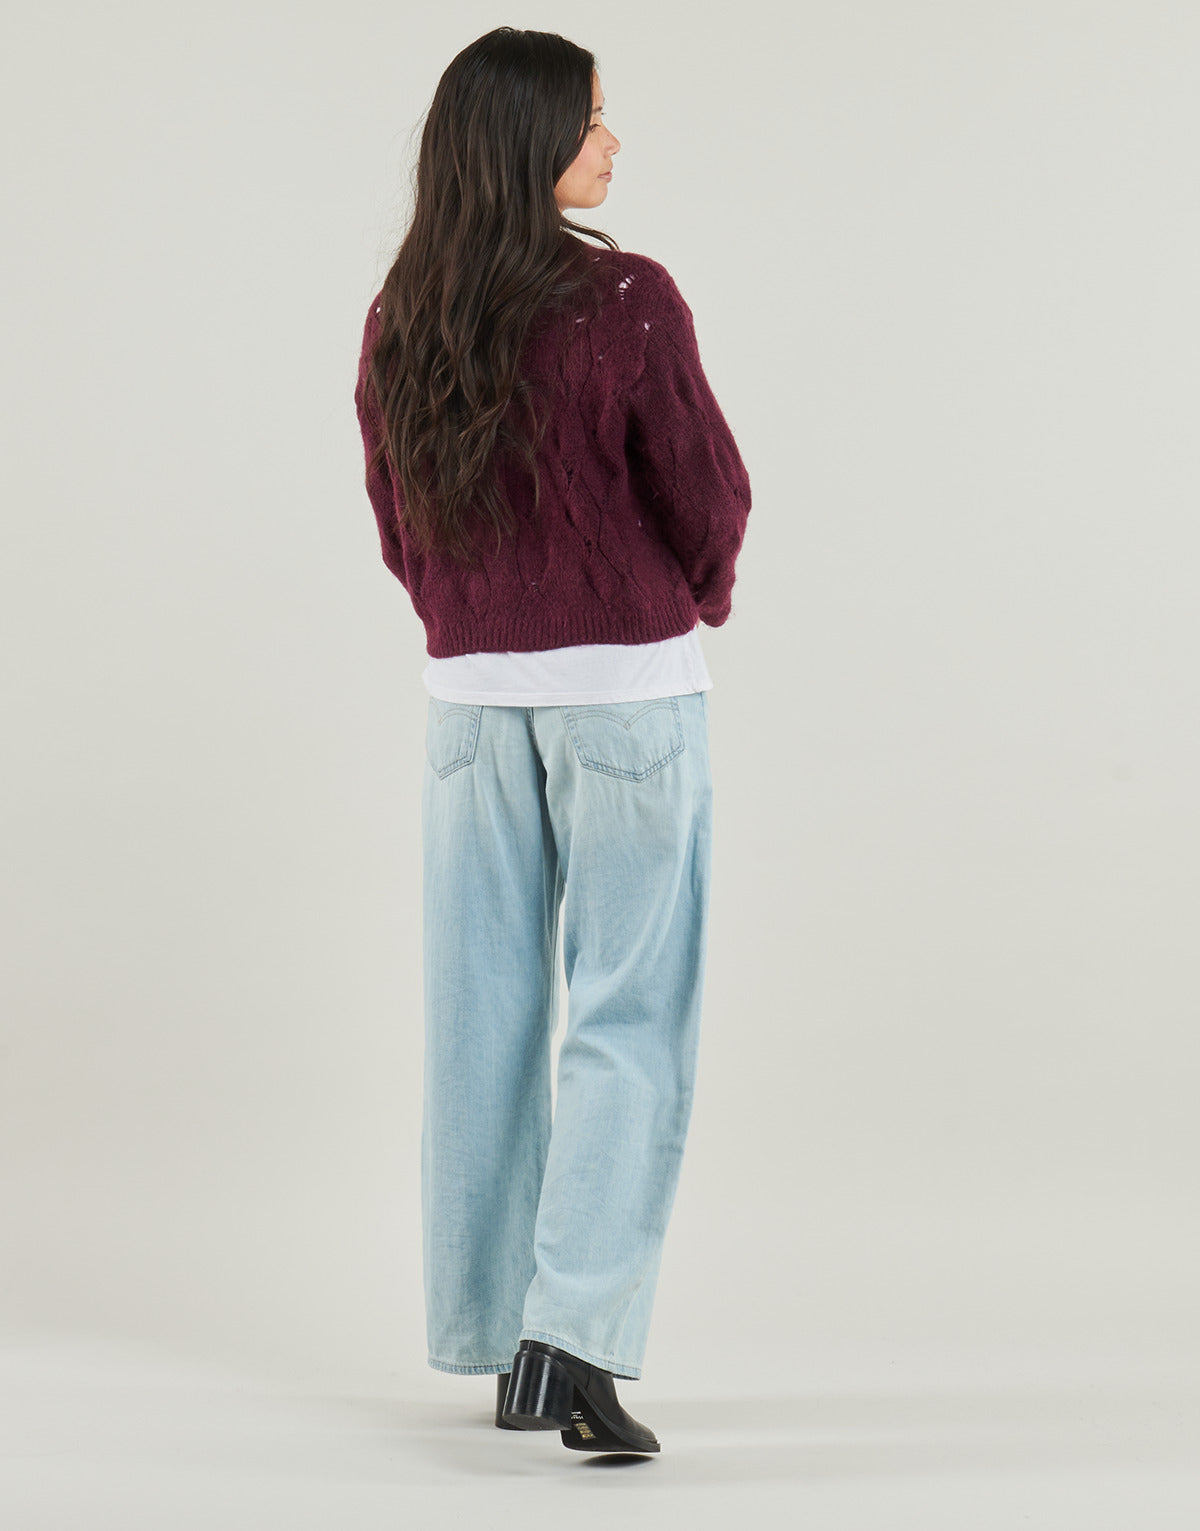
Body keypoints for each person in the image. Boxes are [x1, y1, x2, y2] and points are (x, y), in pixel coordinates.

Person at [353, 27, 751, 1457]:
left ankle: (493, 1337)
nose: (613, 140)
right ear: (529, 140)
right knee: (628, 1016)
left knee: (480, 1017)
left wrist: (479, 628)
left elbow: (399, 524)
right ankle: (570, 1342)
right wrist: (688, 603)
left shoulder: (404, 312)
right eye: (591, 119)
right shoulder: (629, 300)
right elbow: (707, 494)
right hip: (626, 698)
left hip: (467, 708)